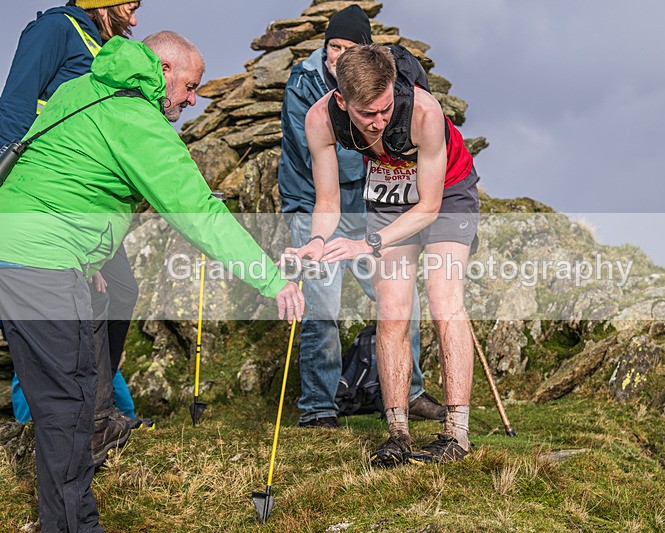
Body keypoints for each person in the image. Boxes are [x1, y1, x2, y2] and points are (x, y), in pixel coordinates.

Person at [0, 32, 303, 531]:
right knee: (69, 410)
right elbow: (199, 213)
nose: (192, 99)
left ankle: (72, 498)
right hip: (44, 262)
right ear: (163, 70)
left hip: (15, 252)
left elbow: (59, 171)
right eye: (190, 86)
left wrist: (91, 258)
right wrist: (272, 280)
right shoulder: (138, 121)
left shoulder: (82, 87)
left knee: (60, 401)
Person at [298, 43, 479, 467]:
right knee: (392, 309)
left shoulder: (424, 111)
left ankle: (457, 434)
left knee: (443, 300)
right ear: (342, 101)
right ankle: (398, 433)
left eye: (385, 109)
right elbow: (327, 203)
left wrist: (368, 243)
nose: (378, 121)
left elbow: (429, 207)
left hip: (446, 192)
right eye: (367, 114)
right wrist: (317, 242)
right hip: (389, 193)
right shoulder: (320, 119)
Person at [279, 5, 444, 429]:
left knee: (401, 301)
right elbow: (325, 160)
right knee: (322, 308)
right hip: (314, 206)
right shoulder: (305, 86)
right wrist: (382, 155)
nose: (337, 55)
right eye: (333, 46)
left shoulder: (385, 93)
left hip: (368, 208)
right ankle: (318, 408)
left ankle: (409, 392)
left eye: (348, 48)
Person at [0, 0, 149, 458]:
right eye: (128, 6)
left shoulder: (103, 45)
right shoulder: (55, 30)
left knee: (120, 291)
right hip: (47, 199)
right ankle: (65, 418)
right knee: (60, 307)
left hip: (84, 203)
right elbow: (15, 105)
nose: (134, 19)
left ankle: (96, 410)